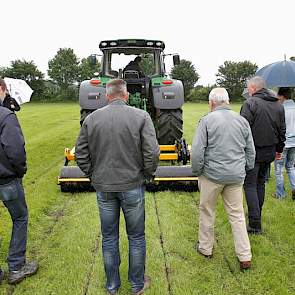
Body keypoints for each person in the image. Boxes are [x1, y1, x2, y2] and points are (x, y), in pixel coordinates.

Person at [75, 79, 159, 294]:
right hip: (133, 185)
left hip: (104, 187)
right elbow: (152, 152)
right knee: (137, 237)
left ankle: (112, 286)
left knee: (109, 237)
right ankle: (137, 285)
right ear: (127, 95)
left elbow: (81, 154)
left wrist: (93, 176)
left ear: (107, 95)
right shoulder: (141, 116)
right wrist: (147, 175)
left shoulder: (92, 119)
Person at [192, 87, 255, 271]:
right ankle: (245, 256)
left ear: (211, 103)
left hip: (211, 176)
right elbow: (250, 150)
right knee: (237, 216)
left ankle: (205, 248)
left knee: (207, 211)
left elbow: (197, 151)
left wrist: (197, 171)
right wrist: (246, 167)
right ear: (227, 101)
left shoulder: (206, 121)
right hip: (236, 176)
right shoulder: (242, 121)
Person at [0, 84, 38, 284]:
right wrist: (20, 170)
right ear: (1, 89)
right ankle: (16, 267)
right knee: (20, 217)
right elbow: (15, 150)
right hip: (6, 179)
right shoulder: (6, 117)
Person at [240, 76, 286, 234]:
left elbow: (242, 131)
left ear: (253, 88)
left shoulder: (250, 103)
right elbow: (282, 131)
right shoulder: (278, 105)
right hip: (269, 151)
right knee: (260, 184)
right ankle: (256, 214)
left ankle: (254, 224)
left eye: (248, 88)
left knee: (250, 185)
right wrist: (279, 150)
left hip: (253, 152)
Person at [274, 87, 295, 199]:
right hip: (294, 143)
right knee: (291, 167)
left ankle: (280, 194)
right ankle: (294, 188)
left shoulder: (280, 109)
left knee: (279, 169)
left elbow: (277, 127)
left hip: (283, 143)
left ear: (282, 96)